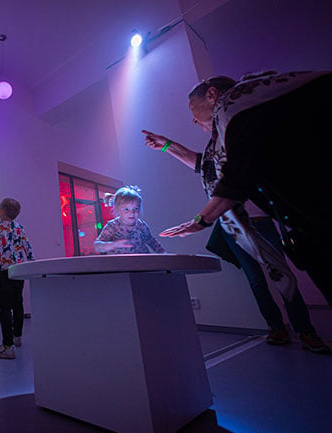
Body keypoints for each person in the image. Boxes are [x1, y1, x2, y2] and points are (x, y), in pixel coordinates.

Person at [142, 70, 332, 353]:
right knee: (257, 280)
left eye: (193, 111)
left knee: (284, 276)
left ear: (212, 95)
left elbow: (234, 179)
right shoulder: (223, 135)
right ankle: (277, 328)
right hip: (248, 224)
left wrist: (202, 219)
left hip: (276, 218)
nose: (193, 119)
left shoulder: (238, 111)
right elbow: (202, 164)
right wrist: (167, 145)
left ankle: (306, 331)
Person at [0, 197, 34, 359]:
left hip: (3, 272)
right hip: (18, 271)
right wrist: (32, 265)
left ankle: (7, 345)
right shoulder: (19, 228)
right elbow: (28, 247)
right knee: (18, 303)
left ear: (2, 211)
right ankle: (17, 336)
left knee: (4, 307)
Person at [94, 185, 165, 254]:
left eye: (135, 209)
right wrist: (113, 245)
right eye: (126, 209)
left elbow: (152, 242)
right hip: (120, 264)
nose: (132, 213)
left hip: (142, 263)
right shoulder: (113, 226)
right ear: (117, 209)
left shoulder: (141, 226)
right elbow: (97, 246)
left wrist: (165, 254)